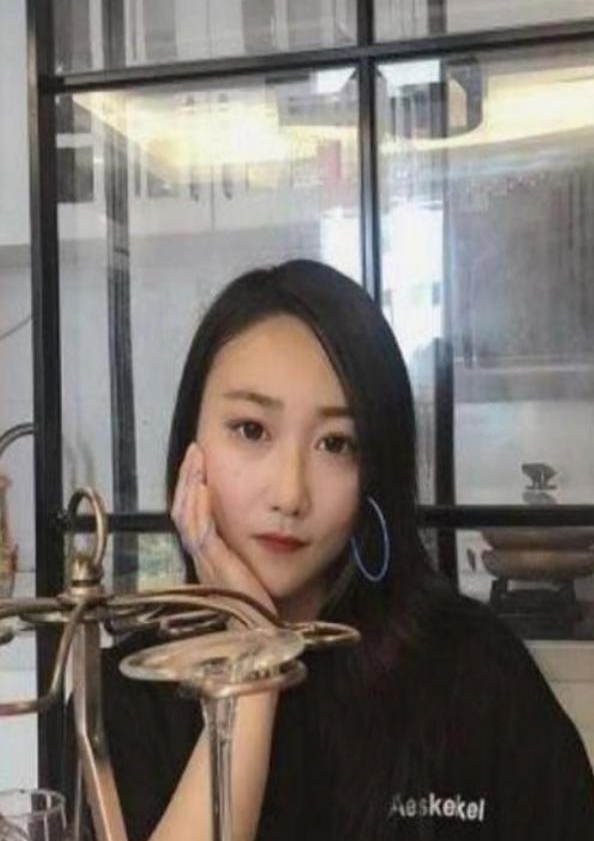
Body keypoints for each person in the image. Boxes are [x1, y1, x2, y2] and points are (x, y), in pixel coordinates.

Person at [72, 259, 594, 841]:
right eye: (251, 430)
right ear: (191, 448)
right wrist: (253, 651)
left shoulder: (478, 675)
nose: (290, 493)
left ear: (375, 470)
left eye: (336, 443)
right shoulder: (130, 691)